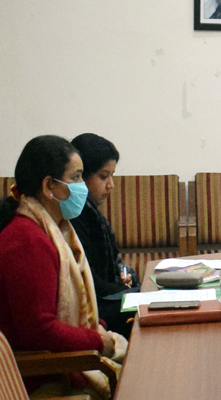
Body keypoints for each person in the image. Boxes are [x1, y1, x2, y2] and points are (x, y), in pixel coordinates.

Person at [0, 135, 125, 398]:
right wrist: (96, 340)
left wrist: (97, 327)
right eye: (76, 177)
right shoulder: (27, 240)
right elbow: (40, 331)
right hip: (39, 380)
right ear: (49, 186)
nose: (82, 186)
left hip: (57, 366)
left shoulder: (53, 229)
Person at [71, 133, 140, 340]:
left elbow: (113, 261)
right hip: (95, 307)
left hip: (104, 299)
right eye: (103, 177)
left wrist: (124, 272)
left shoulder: (91, 211)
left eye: (112, 175)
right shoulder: (75, 215)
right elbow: (90, 281)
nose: (111, 185)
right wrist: (123, 289)